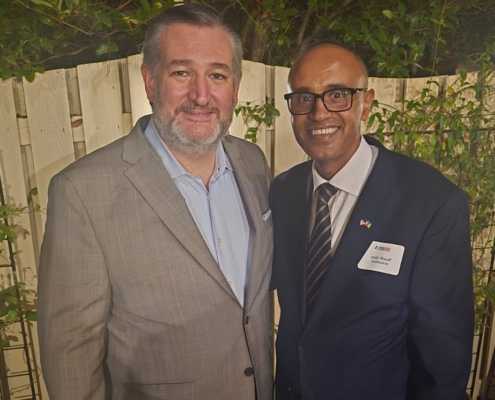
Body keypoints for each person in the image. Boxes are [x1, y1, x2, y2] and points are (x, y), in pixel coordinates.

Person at [37, 4, 273, 400]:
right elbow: (70, 353)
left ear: (235, 86)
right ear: (149, 81)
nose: (201, 95)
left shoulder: (253, 163)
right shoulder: (82, 192)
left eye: (217, 75)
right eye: (181, 73)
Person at [270, 39, 474, 400]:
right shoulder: (283, 192)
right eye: (303, 98)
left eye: (337, 95)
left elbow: (443, 354)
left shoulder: (431, 203)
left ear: (365, 104)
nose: (319, 113)